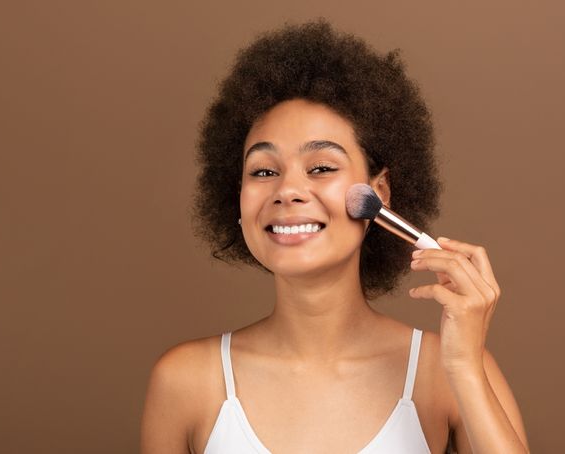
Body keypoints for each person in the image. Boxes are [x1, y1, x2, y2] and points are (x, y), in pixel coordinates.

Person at [140, 18, 530, 454]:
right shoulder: (185, 382)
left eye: (321, 168)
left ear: (377, 194)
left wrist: (464, 366)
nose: (287, 190)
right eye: (263, 171)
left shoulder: (448, 372)